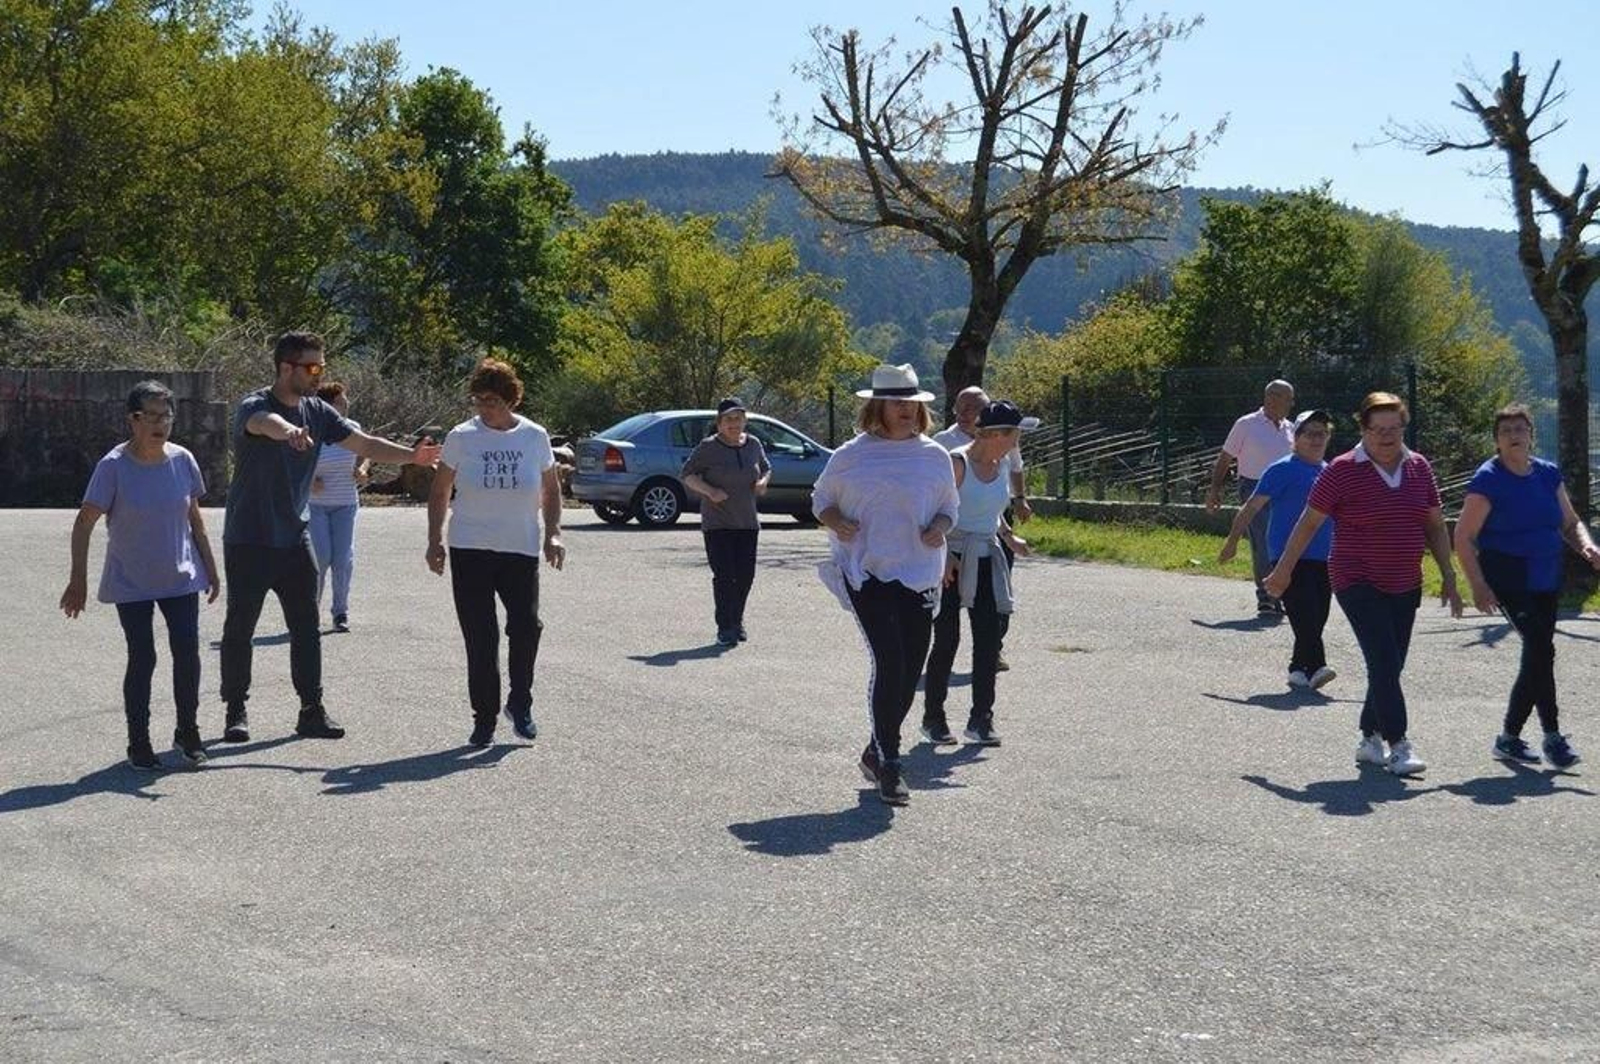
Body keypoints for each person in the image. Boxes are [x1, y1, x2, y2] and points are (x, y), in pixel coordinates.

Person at [220, 331, 441, 743]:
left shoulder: (319, 411)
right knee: (240, 628)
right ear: (286, 368)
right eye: (313, 367)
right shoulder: (256, 405)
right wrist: (288, 431)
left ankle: (311, 710)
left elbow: (364, 442)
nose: (320, 375)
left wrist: (412, 456)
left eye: (322, 366)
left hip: (293, 536)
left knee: (306, 627)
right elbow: (262, 423)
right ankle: (236, 709)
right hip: (248, 538)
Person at [1265, 392, 1462, 776]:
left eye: (1395, 428)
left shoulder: (1419, 467)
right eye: (1379, 430)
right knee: (1384, 661)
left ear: (1404, 427)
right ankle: (1399, 745)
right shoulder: (1340, 469)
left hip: (1405, 579)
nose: (1387, 437)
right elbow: (1308, 523)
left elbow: (1435, 525)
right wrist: (1283, 570)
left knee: (1390, 665)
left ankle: (1369, 739)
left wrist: (1450, 576)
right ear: (1364, 430)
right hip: (1356, 577)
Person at [813, 363, 959, 806]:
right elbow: (820, 501)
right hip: (867, 570)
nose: (907, 411)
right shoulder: (851, 455)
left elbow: (949, 506)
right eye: (898, 403)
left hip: (918, 572)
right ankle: (891, 764)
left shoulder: (933, 456)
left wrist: (940, 525)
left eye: (913, 404)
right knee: (889, 660)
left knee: (912, 664)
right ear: (877, 407)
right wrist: (837, 521)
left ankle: (876, 749)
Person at [60, 380, 221, 770]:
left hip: (181, 577)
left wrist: (212, 569)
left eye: (164, 415)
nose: (158, 423)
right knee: (143, 656)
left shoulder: (182, 459)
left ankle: (188, 731)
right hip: (131, 580)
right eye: (148, 415)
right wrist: (77, 579)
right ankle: (139, 740)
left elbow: (194, 518)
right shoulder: (113, 467)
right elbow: (84, 524)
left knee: (187, 654)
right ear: (132, 420)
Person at [427, 358, 565, 747]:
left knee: (526, 627)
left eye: (490, 399)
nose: (482, 407)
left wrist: (553, 533)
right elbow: (440, 492)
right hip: (470, 546)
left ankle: (520, 703)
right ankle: (484, 717)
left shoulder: (534, 437)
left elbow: (551, 490)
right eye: (478, 399)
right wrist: (434, 540)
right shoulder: (461, 436)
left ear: (510, 399)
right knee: (480, 636)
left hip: (519, 546)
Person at [1453, 404, 1599, 769]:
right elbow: (1463, 536)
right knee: (1540, 648)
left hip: (1545, 574)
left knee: (1537, 653)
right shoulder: (1489, 478)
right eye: (1506, 431)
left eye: (1520, 429)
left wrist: (1585, 544)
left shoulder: (1547, 474)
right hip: (1507, 574)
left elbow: (1570, 521)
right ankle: (1552, 736)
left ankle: (1509, 738)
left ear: (1532, 434)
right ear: (1497, 441)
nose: (1514, 436)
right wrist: (1478, 584)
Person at [922, 400, 1036, 747]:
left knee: (989, 639)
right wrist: (942, 556)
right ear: (998, 434)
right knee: (947, 640)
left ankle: (981, 718)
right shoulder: (957, 462)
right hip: (951, 558)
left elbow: (994, 510)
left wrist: (1007, 536)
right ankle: (934, 718)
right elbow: (933, 512)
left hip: (987, 554)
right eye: (1016, 433)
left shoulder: (1001, 465)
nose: (1018, 440)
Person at [1220, 409, 1338, 690]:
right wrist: (1233, 540)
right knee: (1304, 612)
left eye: (1322, 433)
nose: (1317, 439)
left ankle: (1298, 668)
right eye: (1310, 433)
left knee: (1318, 614)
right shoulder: (1282, 468)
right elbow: (1252, 506)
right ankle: (1318, 665)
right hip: (1288, 556)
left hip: (1325, 556)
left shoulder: (1330, 472)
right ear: (1295, 438)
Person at [933, 385, 1031, 671]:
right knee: (946, 627)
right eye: (959, 408)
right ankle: (936, 697)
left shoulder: (1001, 453)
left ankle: (991, 657)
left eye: (971, 408)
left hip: (988, 540)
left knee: (991, 614)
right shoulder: (946, 446)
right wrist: (942, 548)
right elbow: (934, 503)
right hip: (952, 543)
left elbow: (1010, 477)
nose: (963, 414)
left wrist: (1009, 534)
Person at [682, 397, 772, 646]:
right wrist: (710, 491)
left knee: (745, 576)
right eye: (728, 419)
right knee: (724, 575)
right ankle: (725, 626)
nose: (734, 424)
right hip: (717, 523)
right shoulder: (708, 447)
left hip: (747, 522)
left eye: (738, 418)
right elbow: (687, 475)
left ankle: (737, 619)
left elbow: (765, 468)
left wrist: (763, 482)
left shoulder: (753, 444)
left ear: (745, 421)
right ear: (719, 423)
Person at [1207, 380, 1295, 614]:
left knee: (1285, 541)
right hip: (1254, 487)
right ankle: (1266, 595)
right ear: (1269, 397)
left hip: (1286, 491)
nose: (1286, 403)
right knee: (1263, 541)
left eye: (1288, 398)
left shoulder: (1292, 429)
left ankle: (1279, 590)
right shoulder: (1246, 424)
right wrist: (1215, 489)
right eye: (1282, 397)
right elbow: (1225, 458)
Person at [308, 381, 370, 633]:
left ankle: (340, 612)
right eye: (342, 400)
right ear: (329, 405)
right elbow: (294, 461)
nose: (346, 403)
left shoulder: (352, 428)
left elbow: (367, 450)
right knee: (321, 558)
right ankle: (310, 611)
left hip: (345, 502)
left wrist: (363, 468)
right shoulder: (311, 429)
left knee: (343, 559)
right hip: (316, 505)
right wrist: (310, 479)